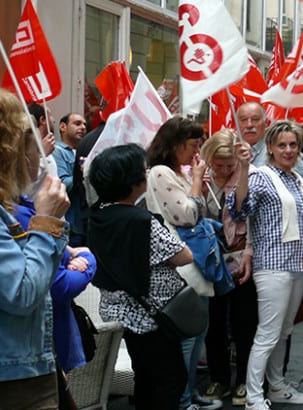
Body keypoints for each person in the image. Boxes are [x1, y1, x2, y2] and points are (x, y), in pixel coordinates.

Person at [88, 144, 192, 410]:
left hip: (120, 311)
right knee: (170, 380)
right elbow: (184, 256)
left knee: (145, 379)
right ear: (131, 181)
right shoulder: (140, 220)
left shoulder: (98, 214)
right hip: (150, 315)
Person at [0, 85, 70, 410]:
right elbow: (22, 294)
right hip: (9, 377)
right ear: (9, 149)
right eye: (30, 141)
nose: (37, 153)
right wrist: (46, 221)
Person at [229, 120, 303, 410]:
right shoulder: (260, 175)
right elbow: (240, 209)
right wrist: (243, 169)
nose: (289, 150)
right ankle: (254, 396)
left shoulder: (298, 178)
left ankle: (277, 386)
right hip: (273, 265)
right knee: (267, 333)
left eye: (293, 144)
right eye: (282, 145)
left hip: (298, 266)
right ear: (270, 147)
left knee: (284, 330)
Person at [15, 129, 97, 407]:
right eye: (34, 150)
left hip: (40, 350)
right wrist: (87, 264)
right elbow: (43, 288)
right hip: (26, 356)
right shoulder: (14, 214)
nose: (40, 159)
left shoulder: (19, 205)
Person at [144, 117, 221, 410]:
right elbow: (188, 215)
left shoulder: (178, 172)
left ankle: (190, 393)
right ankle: (183, 398)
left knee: (198, 331)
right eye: (192, 145)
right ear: (175, 145)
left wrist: (198, 184)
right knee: (187, 334)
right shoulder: (161, 173)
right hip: (182, 261)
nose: (195, 152)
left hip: (196, 258)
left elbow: (203, 209)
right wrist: (198, 182)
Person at [199, 129, 258, 405]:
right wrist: (197, 187)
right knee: (215, 323)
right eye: (218, 164)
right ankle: (219, 378)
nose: (223, 170)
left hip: (241, 257)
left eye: (229, 165)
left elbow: (253, 218)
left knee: (244, 321)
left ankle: (244, 379)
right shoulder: (201, 178)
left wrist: (248, 251)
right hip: (211, 261)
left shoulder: (248, 175)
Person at [53, 113, 88, 245]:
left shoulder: (83, 151)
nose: (83, 127)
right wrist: (83, 173)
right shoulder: (57, 151)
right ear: (63, 127)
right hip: (70, 223)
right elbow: (63, 184)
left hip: (84, 221)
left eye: (85, 124)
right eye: (77, 123)